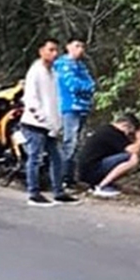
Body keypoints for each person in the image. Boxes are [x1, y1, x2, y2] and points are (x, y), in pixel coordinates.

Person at [20, 38, 80, 207]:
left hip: (51, 125)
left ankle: (58, 192)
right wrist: (42, 118)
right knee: (35, 158)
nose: (54, 54)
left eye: (56, 51)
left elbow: (54, 100)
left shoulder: (54, 73)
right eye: (50, 50)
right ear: (41, 51)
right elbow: (31, 99)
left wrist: (56, 122)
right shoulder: (35, 71)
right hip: (35, 124)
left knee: (57, 158)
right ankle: (33, 193)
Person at [53, 35, 96, 188]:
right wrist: (85, 87)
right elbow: (73, 85)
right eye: (77, 46)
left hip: (83, 108)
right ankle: (63, 177)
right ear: (68, 47)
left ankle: (71, 177)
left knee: (77, 143)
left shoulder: (81, 66)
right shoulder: (62, 65)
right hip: (69, 108)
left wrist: (87, 87)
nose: (80, 50)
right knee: (69, 142)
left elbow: (91, 83)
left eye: (82, 47)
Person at [76, 113, 140, 198]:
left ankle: (102, 183)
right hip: (92, 170)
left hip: (88, 170)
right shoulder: (113, 133)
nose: (128, 135)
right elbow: (133, 150)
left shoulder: (107, 130)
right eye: (130, 132)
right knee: (132, 158)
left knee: (129, 157)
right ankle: (102, 186)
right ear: (125, 125)